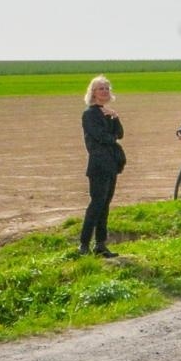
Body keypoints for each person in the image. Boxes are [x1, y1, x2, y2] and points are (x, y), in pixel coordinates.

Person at [79, 76, 125, 257]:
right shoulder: (89, 114)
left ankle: (100, 244)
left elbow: (119, 134)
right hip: (98, 165)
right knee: (96, 204)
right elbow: (101, 137)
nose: (105, 91)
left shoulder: (108, 112)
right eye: (100, 88)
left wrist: (115, 118)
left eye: (106, 88)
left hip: (111, 165)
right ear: (93, 93)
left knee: (105, 205)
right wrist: (112, 137)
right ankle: (83, 244)